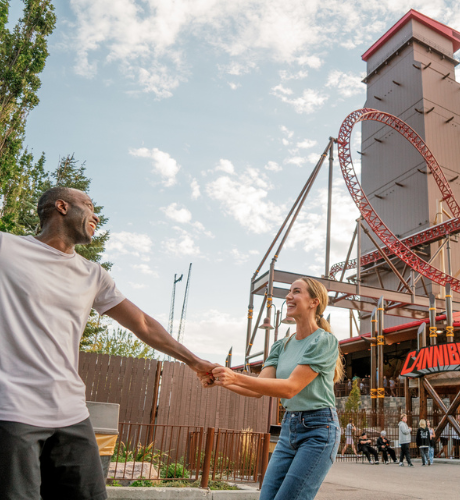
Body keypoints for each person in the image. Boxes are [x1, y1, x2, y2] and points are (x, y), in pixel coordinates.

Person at [0, 187, 216, 500]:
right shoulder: (7, 248)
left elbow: (143, 324)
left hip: (71, 412)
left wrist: (194, 361)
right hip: (11, 409)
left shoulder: (93, 275)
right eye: (88, 206)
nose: (96, 215)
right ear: (62, 207)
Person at [200, 277, 343, 500]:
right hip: (289, 427)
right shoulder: (281, 345)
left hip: (319, 430)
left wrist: (234, 375)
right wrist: (223, 381)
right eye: (289, 291)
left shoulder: (324, 341)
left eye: (296, 291)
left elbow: (289, 388)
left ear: (314, 302)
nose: (288, 296)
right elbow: (258, 389)